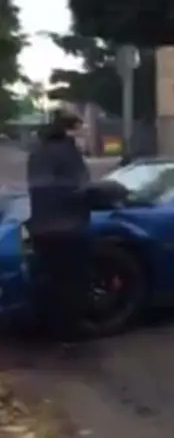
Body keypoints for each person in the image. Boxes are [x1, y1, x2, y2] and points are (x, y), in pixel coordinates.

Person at [25, 109, 92, 338]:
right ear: (69, 128)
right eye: (79, 126)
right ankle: (69, 330)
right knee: (72, 280)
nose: (83, 130)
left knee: (47, 278)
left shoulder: (38, 151)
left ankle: (45, 326)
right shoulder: (67, 152)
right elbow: (78, 188)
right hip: (69, 226)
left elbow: (38, 188)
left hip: (42, 225)